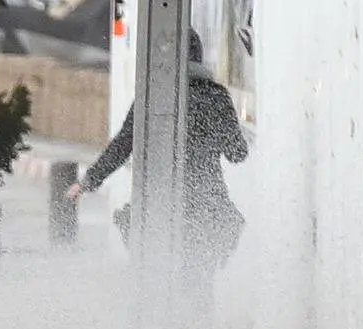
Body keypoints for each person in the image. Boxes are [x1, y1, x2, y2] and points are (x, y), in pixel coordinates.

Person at [66, 30, 249, 283]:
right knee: (198, 281)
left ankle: (154, 317)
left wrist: (87, 182)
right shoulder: (216, 96)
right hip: (205, 207)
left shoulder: (154, 95)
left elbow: (123, 144)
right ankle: (195, 321)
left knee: (153, 278)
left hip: (158, 203)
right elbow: (238, 153)